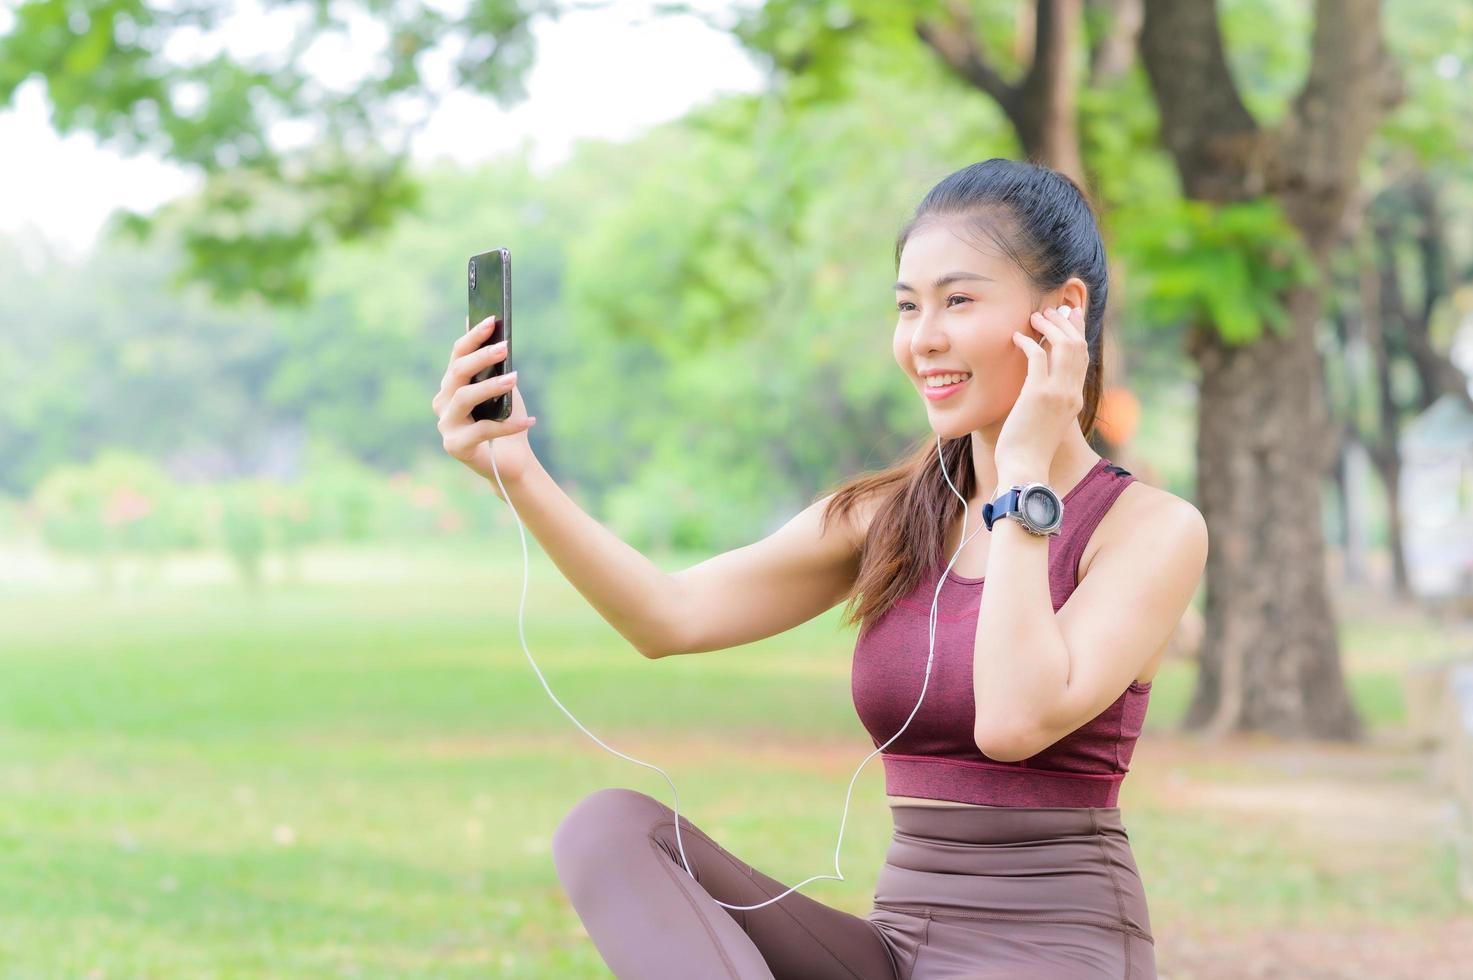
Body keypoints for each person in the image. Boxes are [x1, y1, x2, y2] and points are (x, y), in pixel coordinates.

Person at [432, 158, 1209, 979]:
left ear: (1062, 313)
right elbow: (669, 616)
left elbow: (1013, 721)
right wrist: (518, 472)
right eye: (908, 306)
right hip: (898, 949)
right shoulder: (891, 515)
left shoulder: (1147, 529)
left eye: (958, 300)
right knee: (610, 831)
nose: (923, 338)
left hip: (1055, 952)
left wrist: (1021, 479)